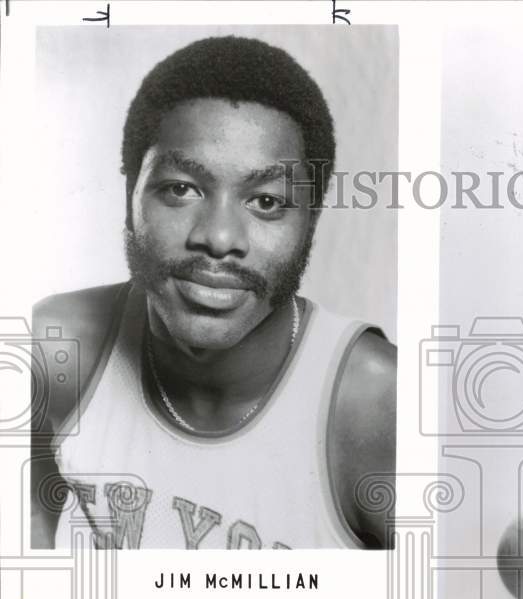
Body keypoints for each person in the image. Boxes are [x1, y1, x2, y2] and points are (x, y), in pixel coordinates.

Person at [30, 36, 396, 550]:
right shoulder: (58, 347)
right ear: (129, 192)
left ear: (311, 221)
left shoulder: (376, 403)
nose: (220, 238)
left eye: (267, 201)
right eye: (181, 189)